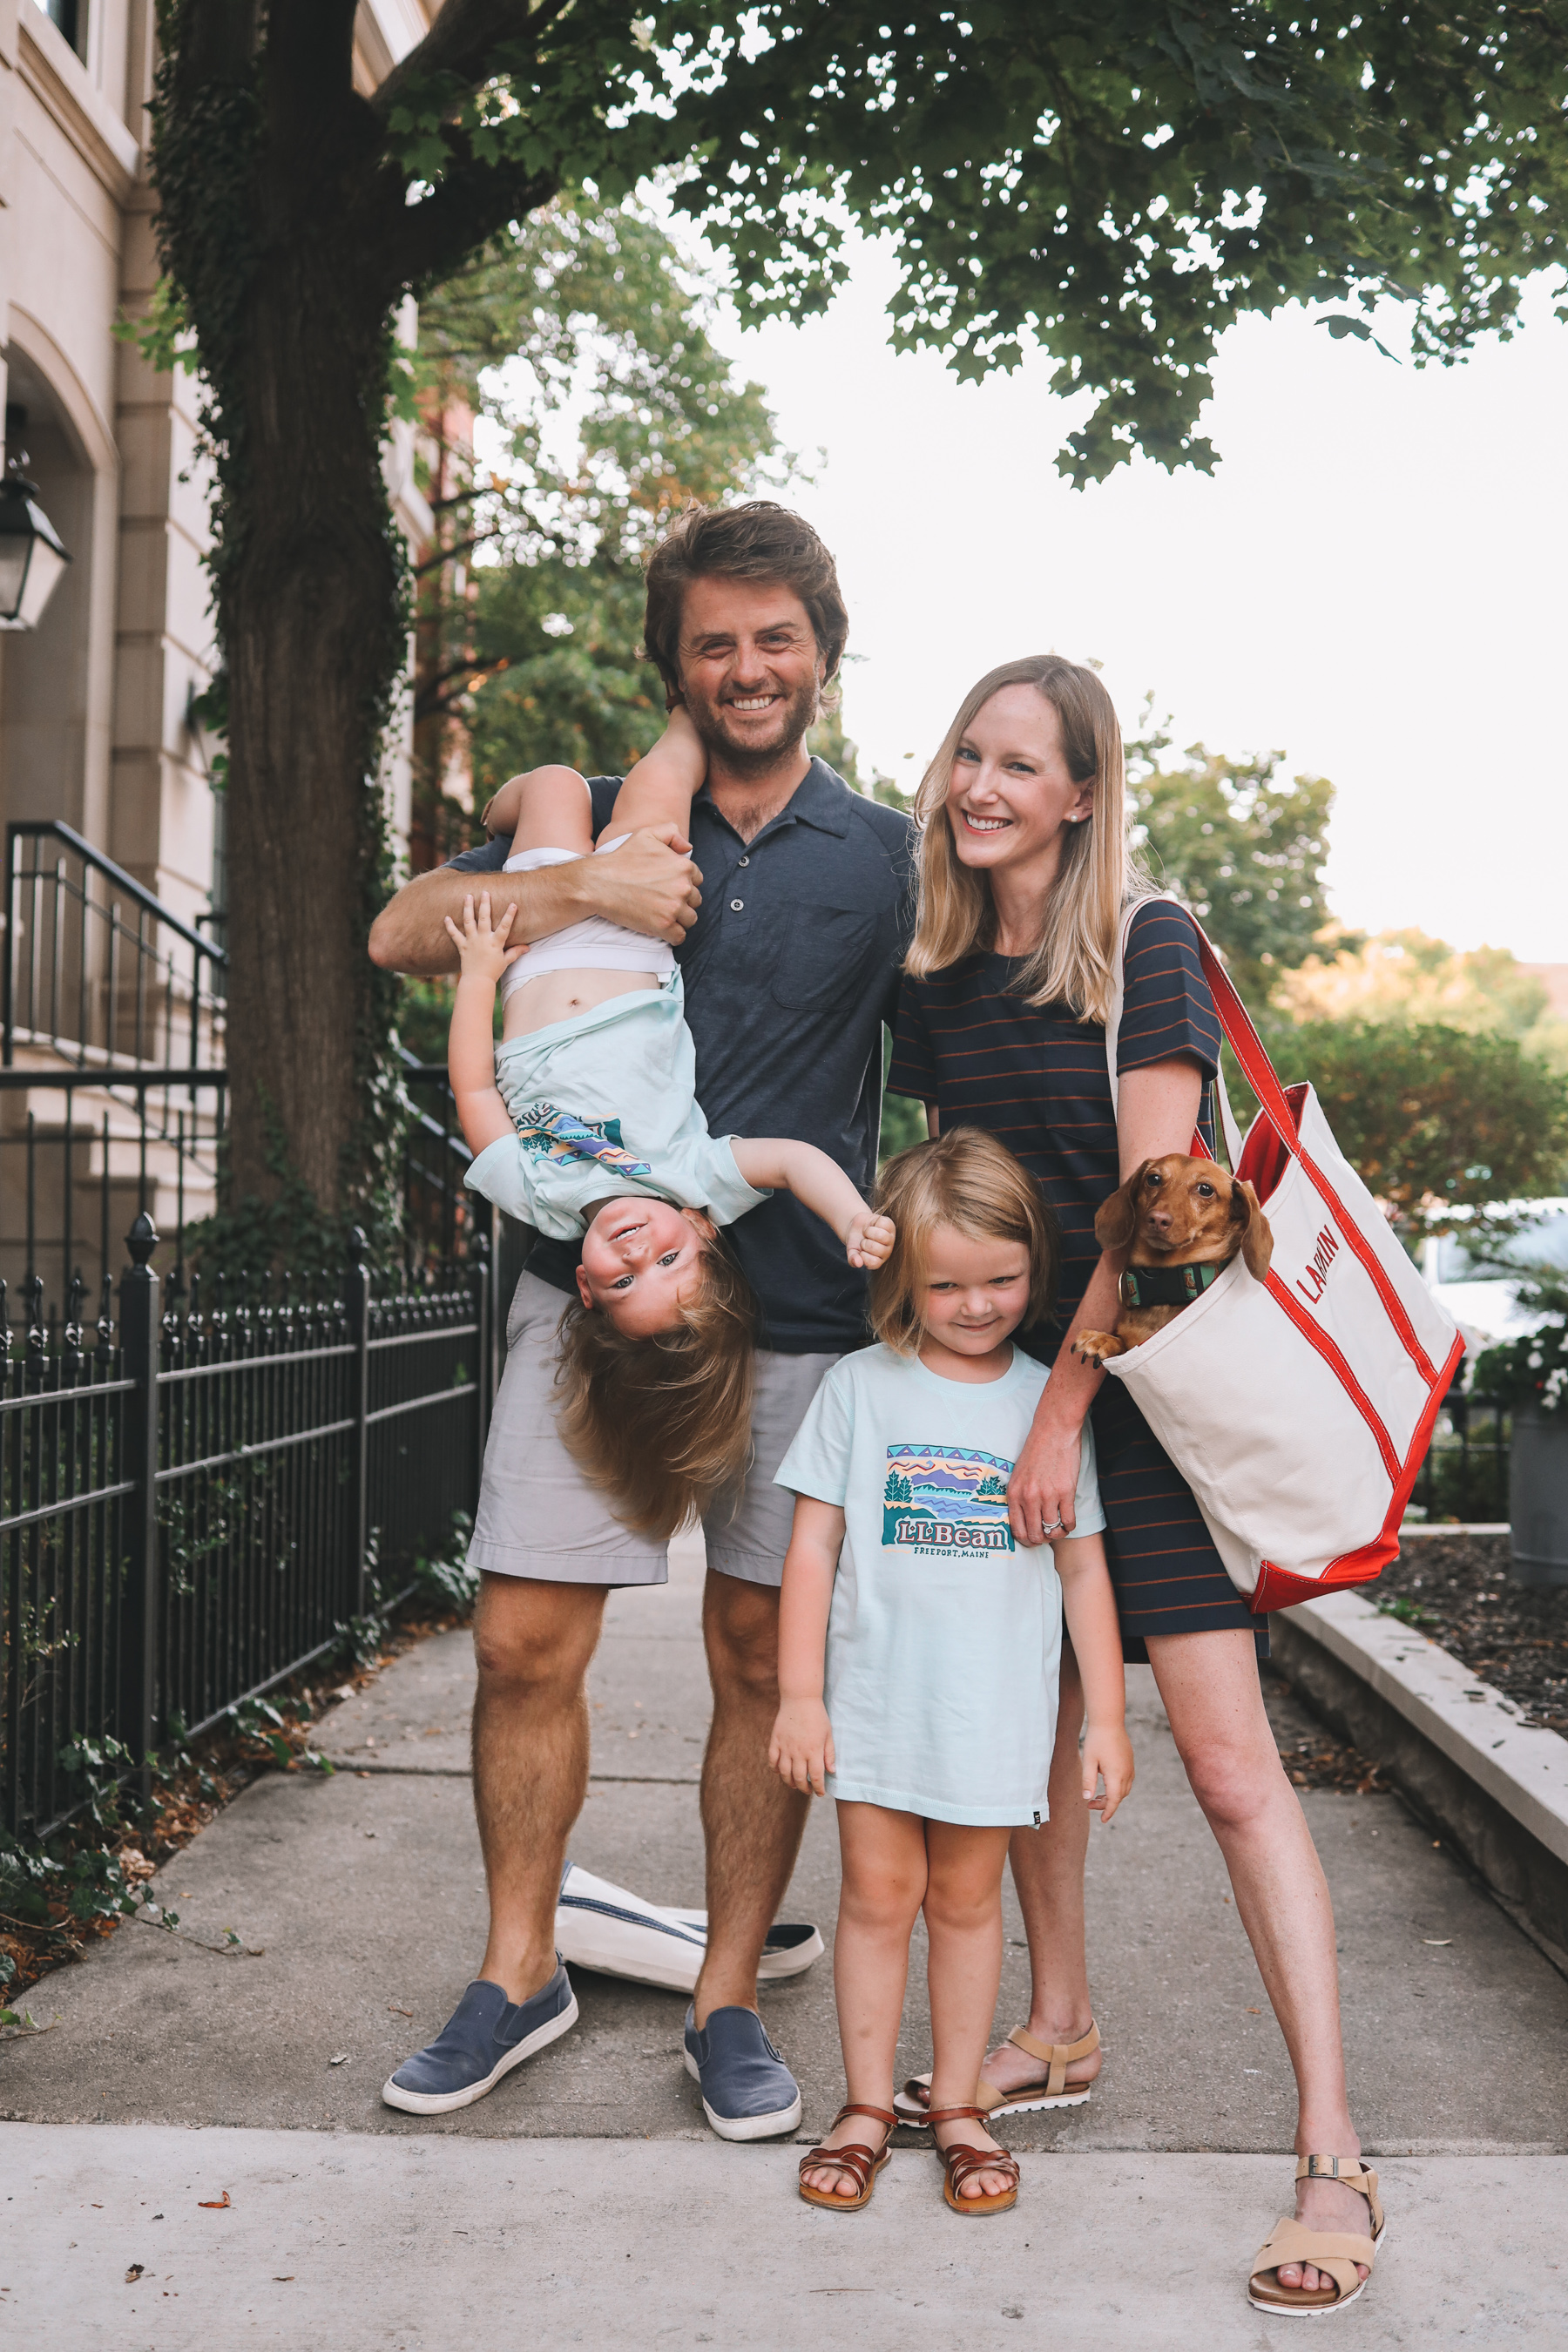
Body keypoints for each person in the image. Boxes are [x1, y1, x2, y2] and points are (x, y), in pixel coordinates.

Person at [370, 503, 915, 2138]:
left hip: (805, 1311)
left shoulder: (885, 855)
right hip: (584, 1294)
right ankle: (516, 1970)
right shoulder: (598, 821)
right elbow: (398, 930)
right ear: (674, 665)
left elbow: (999, 999)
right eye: (714, 643)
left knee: (762, 1653)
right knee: (525, 1640)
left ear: (820, 647)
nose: (747, 668)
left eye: (774, 637)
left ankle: (730, 1995)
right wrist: (574, 891)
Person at [886, 657, 1381, 2312]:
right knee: (1022, 1748)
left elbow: (1162, 1215)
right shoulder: (941, 975)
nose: (982, 785)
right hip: (1009, 1407)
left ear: (1083, 795)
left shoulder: (1142, 948)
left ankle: (1330, 2148)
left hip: (1136, 1414)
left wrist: (1054, 1418)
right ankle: (1059, 2023)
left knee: (1235, 1771)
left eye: (1021, 763)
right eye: (969, 752)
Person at [771, 1126, 1132, 2216]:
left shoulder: (1048, 1409)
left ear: (1036, 1267)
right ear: (902, 1277)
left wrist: (1105, 1719)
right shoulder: (858, 1390)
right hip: (877, 1709)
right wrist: (799, 1696)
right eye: (947, 1285)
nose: (977, 1305)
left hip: (994, 1719)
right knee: (878, 1901)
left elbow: (1083, 1575)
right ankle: (870, 2106)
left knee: (971, 1906)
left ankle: (962, 2104)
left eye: (1002, 1281)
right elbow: (811, 1550)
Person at [440, 719, 895, 1535]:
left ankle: (506, 809)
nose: (634, 1250)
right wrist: (852, 1216)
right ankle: (685, 713)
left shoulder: (540, 1197)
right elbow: (792, 1161)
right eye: (668, 1259)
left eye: (621, 1280)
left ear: (582, 1286)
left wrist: (477, 977)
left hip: (536, 952)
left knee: (552, 784)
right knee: (671, 767)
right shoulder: (688, 1177)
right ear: (702, 1231)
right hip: (632, 940)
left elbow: (474, 1089)